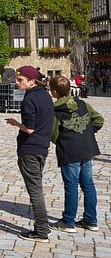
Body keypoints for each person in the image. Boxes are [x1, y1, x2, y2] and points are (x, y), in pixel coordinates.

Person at [48, 76, 104, 233]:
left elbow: (53, 133)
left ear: (53, 92)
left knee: (71, 185)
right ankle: (91, 220)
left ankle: (68, 221)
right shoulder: (82, 103)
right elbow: (99, 120)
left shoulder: (55, 110)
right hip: (87, 148)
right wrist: (86, 132)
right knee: (88, 184)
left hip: (70, 150)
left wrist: (64, 139)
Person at [6, 66, 55, 242]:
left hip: (30, 149)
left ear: (32, 81)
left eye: (21, 80)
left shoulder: (29, 99)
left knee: (35, 191)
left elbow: (29, 128)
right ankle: (43, 225)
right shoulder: (45, 95)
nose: (17, 82)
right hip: (42, 147)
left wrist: (15, 123)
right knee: (37, 187)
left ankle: (41, 230)